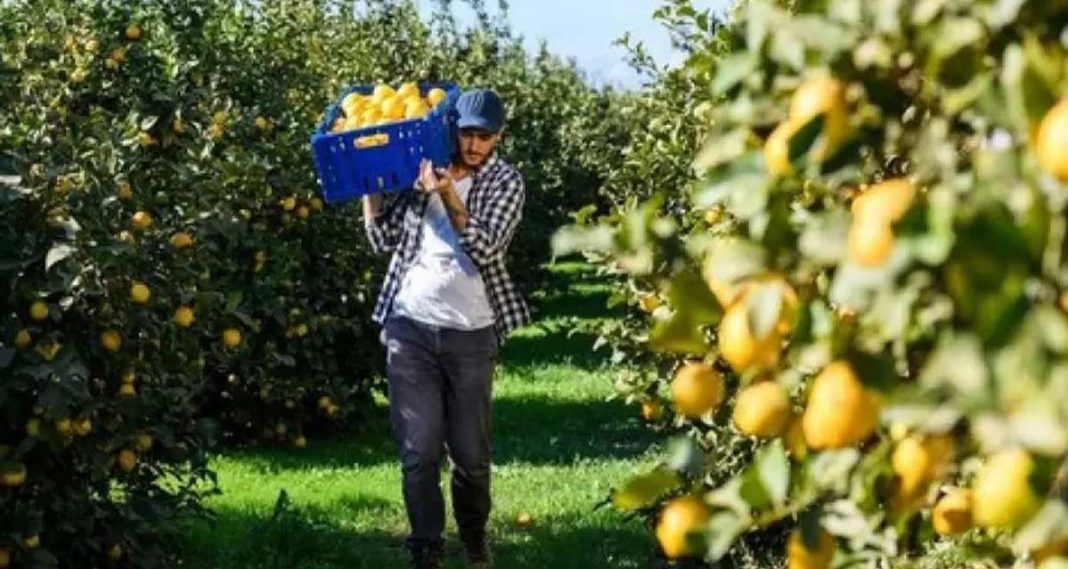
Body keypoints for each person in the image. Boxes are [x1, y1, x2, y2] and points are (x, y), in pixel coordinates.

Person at [361, 87, 530, 569]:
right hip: (409, 326)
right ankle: (427, 550)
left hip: (472, 334)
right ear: (452, 130)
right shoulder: (424, 170)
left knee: (471, 456)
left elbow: (487, 247)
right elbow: (381, 238)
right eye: (467, 134)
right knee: (419, 451)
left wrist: (449, 194)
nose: (474, 145)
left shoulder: (506, 182)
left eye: (484, 137)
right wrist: (374, 182)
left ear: (498, 137)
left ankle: (474, 540)